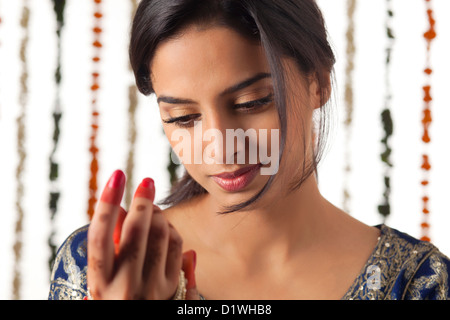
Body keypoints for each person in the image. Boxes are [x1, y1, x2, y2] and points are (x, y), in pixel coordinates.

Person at [48, 0, 450, 300]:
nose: (220, 146)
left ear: (318, 83)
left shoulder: (418, 282)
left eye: (251, 102)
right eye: (184, 117)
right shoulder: (106, 269)